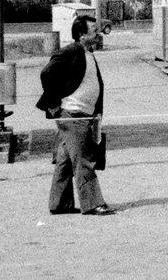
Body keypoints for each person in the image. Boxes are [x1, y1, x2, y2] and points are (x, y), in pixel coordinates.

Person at [36, 17, 114, 216]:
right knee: (84, 159)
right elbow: (47, 73)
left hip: (82, 114)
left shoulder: (87, 53)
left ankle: (59, 203)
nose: (98, 34)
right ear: (82, 35)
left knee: (64, 160)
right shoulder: (71, 51)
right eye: (93, 31)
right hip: (72, 114)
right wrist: (54, 102)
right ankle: (93, 203)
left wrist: (96, 111)